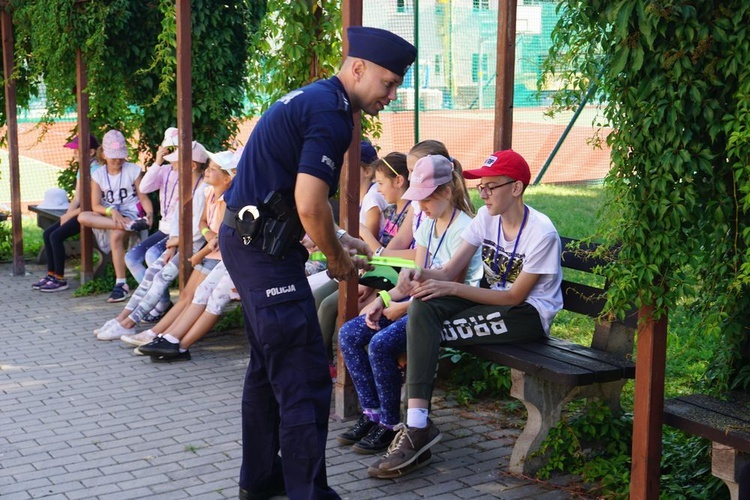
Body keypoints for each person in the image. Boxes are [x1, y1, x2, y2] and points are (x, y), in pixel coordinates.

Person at [218, 26, 416, 500]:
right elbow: (309, 203)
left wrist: (343, 238)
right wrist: (338, 260)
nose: (391, 95)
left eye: (397, 86)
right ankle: (307, 492)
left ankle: (261, 479)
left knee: (268, 371)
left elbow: (290, 197)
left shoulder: (313, 97)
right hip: (264, 253)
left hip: (252, 241)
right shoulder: (331, 113)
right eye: (388, 83)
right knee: (305, 378)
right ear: (358, 67)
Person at [367, 149, 563, 478]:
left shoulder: (541, 232)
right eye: (481, 187)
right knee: (423, 307)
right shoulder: (487, 219)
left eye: (491, 186)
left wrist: (452, 288)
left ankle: (416, 430)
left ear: (516, 188)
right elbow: (448, 271)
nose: (482, 193)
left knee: (423, 327)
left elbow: (515, 296)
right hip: (492, 302)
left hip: (526, 315)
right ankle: (417, 425)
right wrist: (419, 275)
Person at [336, 154, 481, 461]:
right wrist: (382, 301)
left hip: (444, 309)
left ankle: (390, 423)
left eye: (425, 199)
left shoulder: (464, 229)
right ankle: (372, 414)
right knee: (350, 333)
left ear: (445, 192)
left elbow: (444, 288)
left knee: (380, 344)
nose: (421, 207)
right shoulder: (427, 225)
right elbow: (410, 279)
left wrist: (400, 309)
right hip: (417, 303)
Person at [314, 152, 411, 376]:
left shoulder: (411, 211)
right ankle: (326, 363)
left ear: (399, 181)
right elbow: (383, 253)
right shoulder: (392, 210)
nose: (378, 189)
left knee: (336, 308)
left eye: (381, 183)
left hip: (390, 278)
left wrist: (361, 232)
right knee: (321, 299)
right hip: (377, 272)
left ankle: (337, 368)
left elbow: (382, 251)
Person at [125, 133, 209, 320]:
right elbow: (145, 188)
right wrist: (157, 162)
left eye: (176, 156)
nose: (173, 162)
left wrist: (176, 240)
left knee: (153, 255)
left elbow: (198, 223)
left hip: (184, 236)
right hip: (170, 231)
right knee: (132, 257)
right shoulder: (166, 171)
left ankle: (155, 305)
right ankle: (159, 302)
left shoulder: (199, 184)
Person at [78, 130, 154, 302]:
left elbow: (143, 197)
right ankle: (129, 225)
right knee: (83, 216)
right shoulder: (98, 174)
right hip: (112, 215)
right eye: (114, 156)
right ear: (104, 154)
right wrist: (112, 211)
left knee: (116, 237)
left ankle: (121, 284)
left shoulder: (133, 170)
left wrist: (149, 214)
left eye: (120, 156)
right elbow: (96, 205)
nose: (118, 160)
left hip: (132, 212)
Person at [33, 134, 102, 292]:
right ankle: (51, 275)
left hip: (93, 213)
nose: (74, 153)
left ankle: (60, 279)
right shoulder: (82, 169)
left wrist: (70, 215)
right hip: (80, 211)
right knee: (48, 234)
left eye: (77, 150)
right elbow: (78, 197)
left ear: (91, 152)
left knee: (55, 236)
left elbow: (91, 204)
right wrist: (66, 216)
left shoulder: (97, 170)